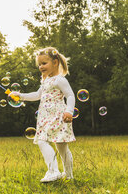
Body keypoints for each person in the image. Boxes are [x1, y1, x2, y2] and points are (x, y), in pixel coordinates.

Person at [19, 47, 76, 183]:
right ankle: (68, 176)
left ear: (55, 62)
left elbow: (70, 95)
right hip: (45, 117)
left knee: (44, 141)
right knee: (61, 146)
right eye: (39, 64)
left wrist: (69, 111)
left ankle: (54, 171)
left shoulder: (59, 80)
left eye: (44, 63)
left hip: (58, 115)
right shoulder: (45, 81)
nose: (41, 67)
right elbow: (37, 95)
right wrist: (20, 96)